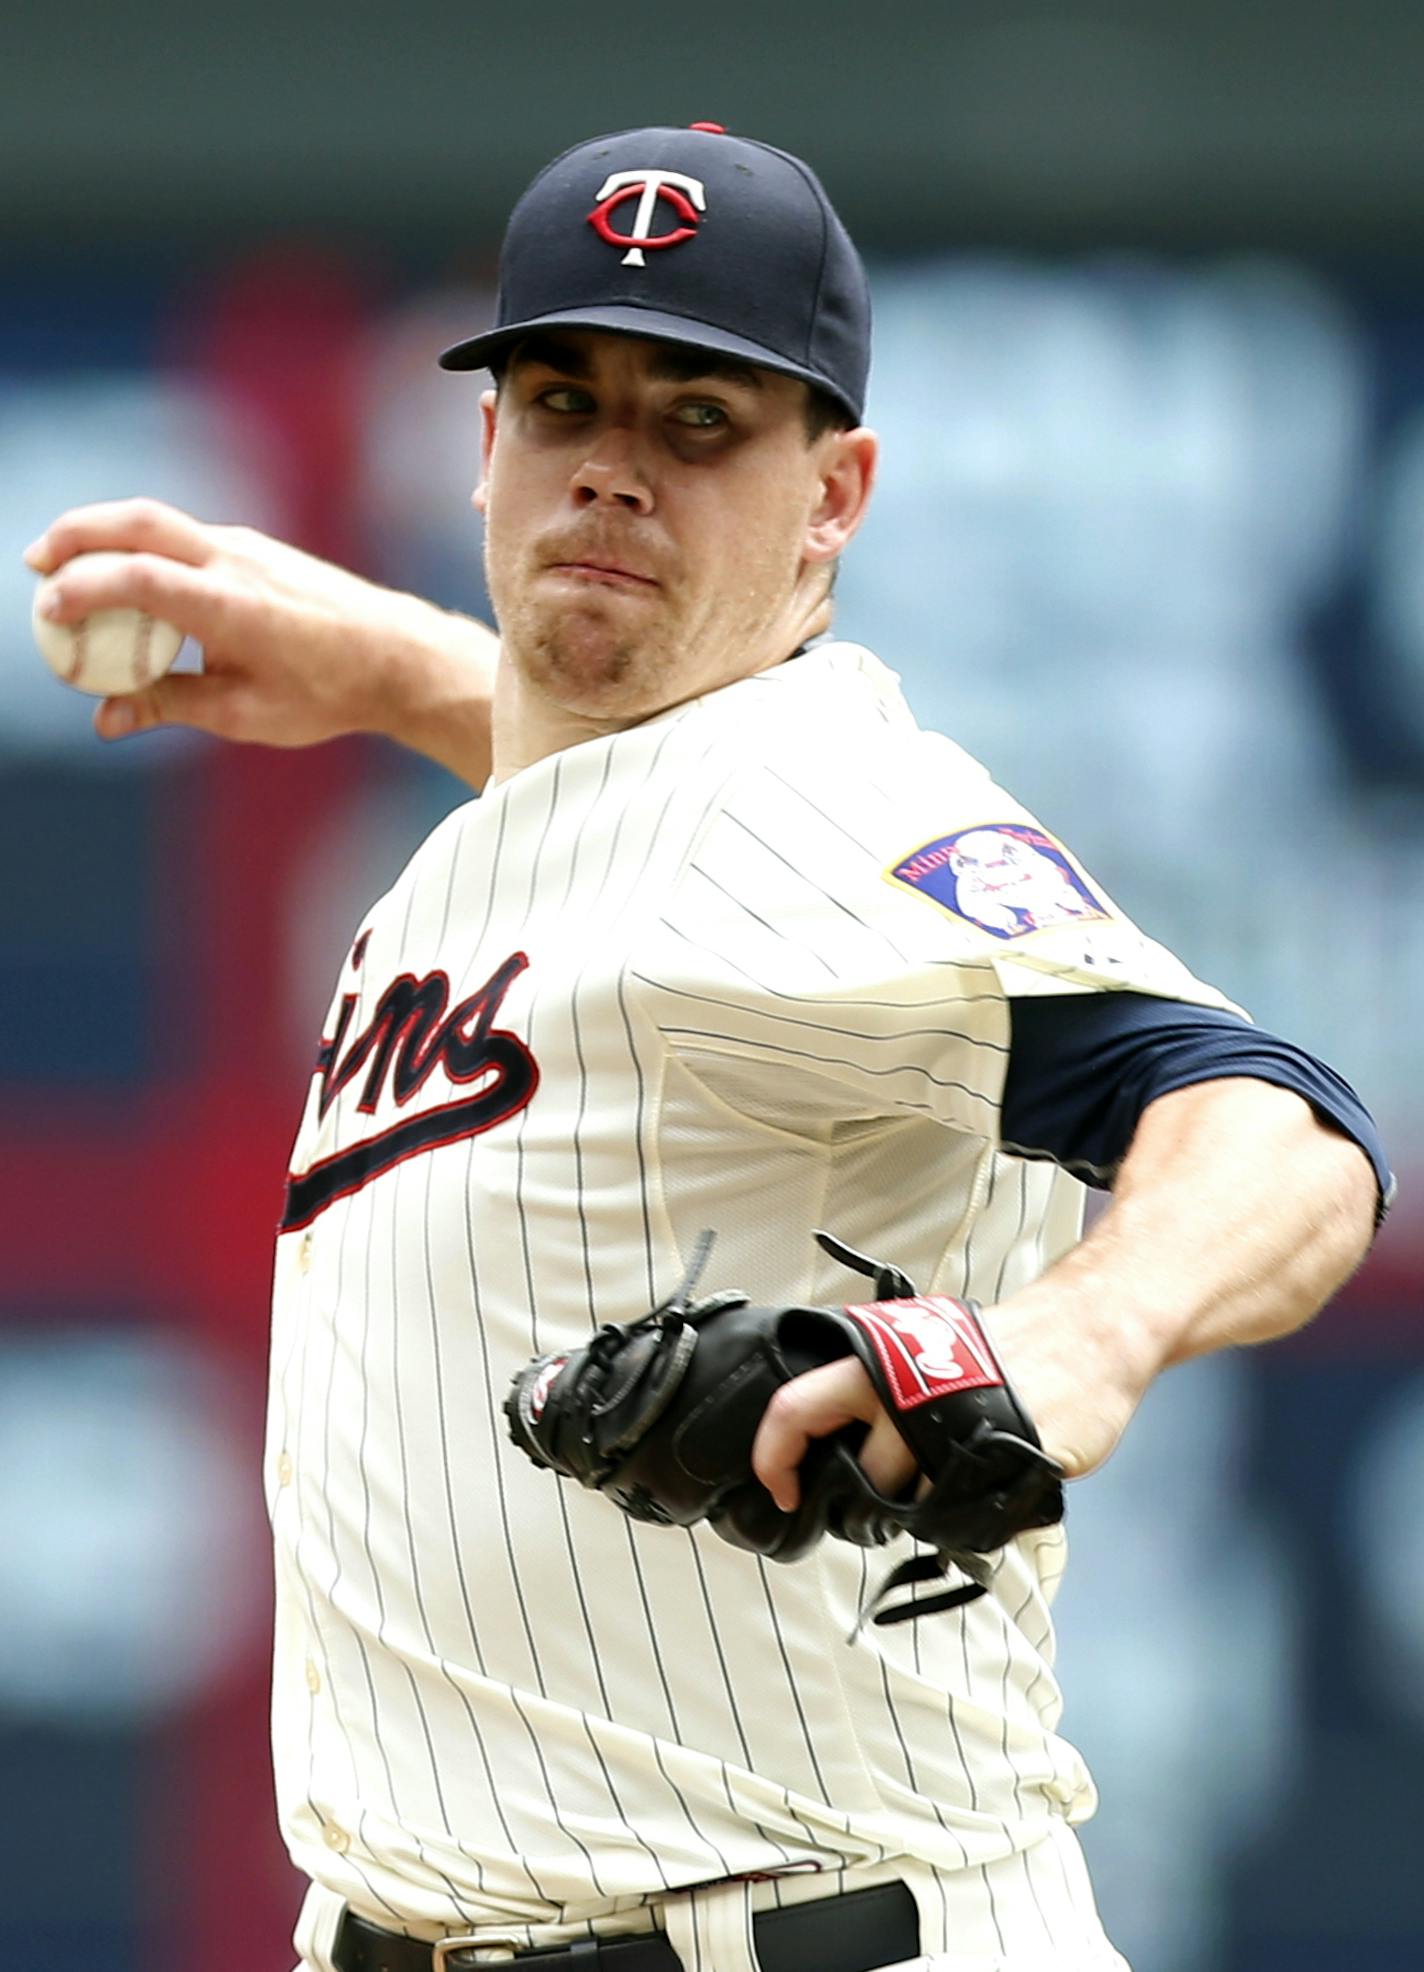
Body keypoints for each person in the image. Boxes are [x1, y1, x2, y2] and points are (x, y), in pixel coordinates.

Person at [26, 124, 1387, 1972]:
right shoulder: (590, 807)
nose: (612, 473)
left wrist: (1068, 1336)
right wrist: (403, 666)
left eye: (699, 425)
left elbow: (1278, 1124)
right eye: (565, 401)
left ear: (835, 495)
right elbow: (632, 818)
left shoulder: (830, 805)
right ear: (486, 446)